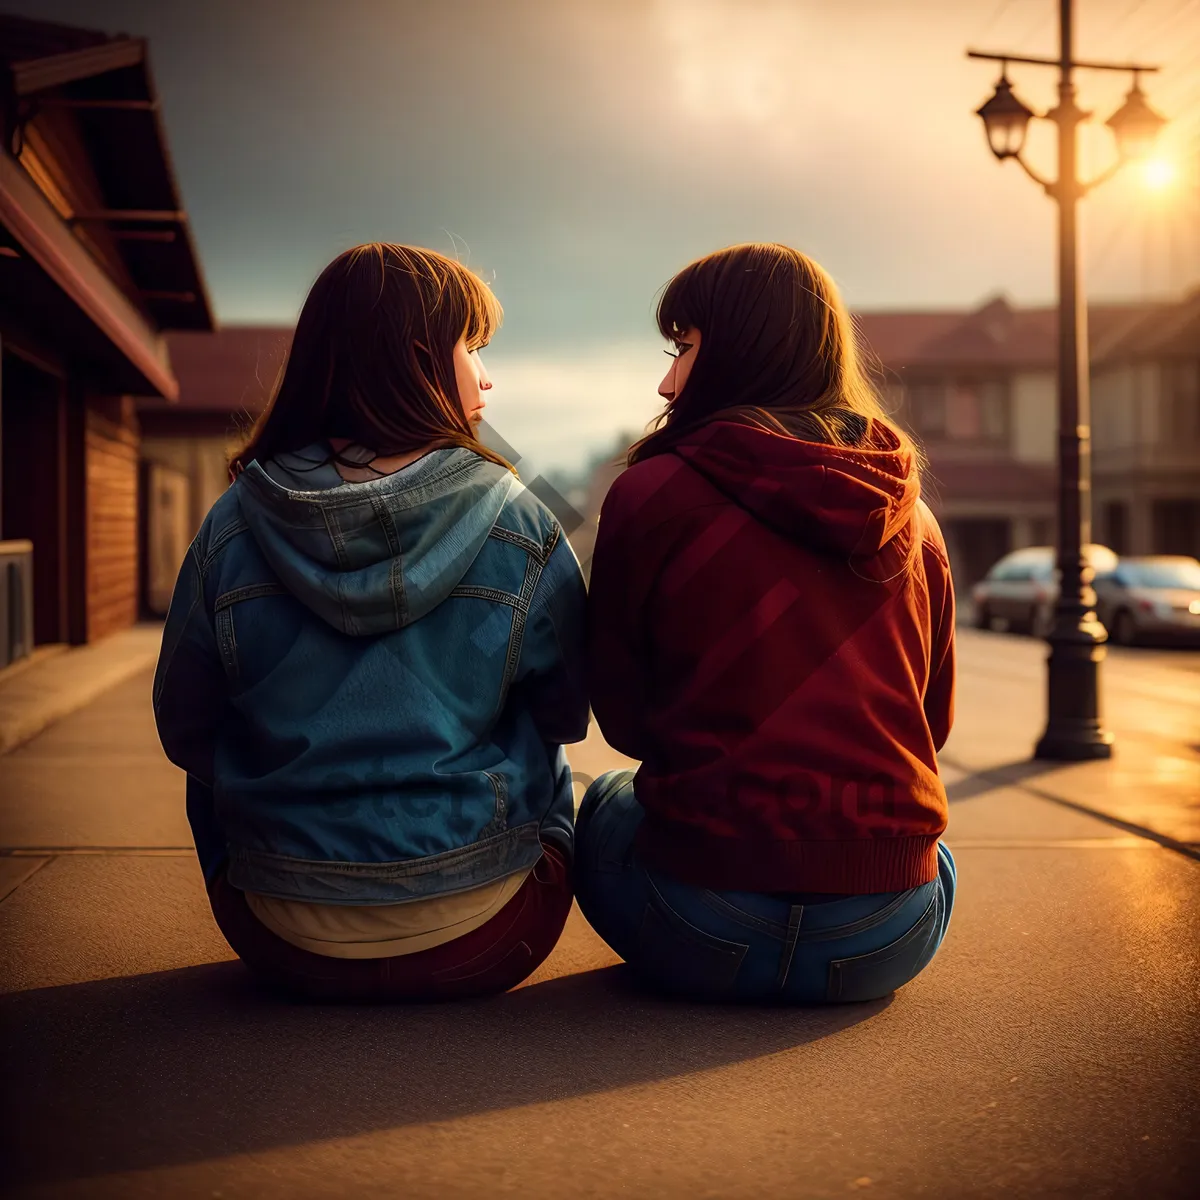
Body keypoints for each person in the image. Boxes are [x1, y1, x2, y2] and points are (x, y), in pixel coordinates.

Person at [153, 243, 589, 1002]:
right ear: (419, 358)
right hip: (489, 935)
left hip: (281, 941)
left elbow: (183, 726)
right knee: (546, 752)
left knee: (216, 764)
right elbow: (566, 712)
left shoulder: (233, 523)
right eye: (473, 348)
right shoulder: (521, 518)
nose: (487, 378)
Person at [576, 242, 957, 1003]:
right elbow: (931, 726)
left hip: (698, 922)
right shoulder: (915, 521)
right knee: (933, 855)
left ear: (736, 353)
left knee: (607, 800)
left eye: (682, 348)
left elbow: (624, 720)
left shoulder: (650, 495)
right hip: (887, 935)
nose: (666, 379)